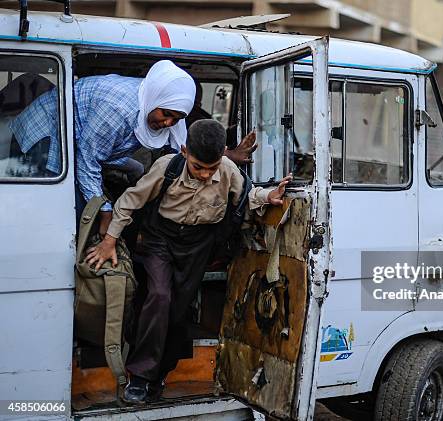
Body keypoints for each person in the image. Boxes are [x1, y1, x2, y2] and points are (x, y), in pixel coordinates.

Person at [84, 119, 291, 404]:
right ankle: (140, 377)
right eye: (198, 167)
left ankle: (158, 376)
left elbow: (246, 195)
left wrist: (269, 195)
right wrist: (109, 240)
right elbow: (130, 201)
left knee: (178, 313)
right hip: (160, 241)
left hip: (198, 245)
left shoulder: (228, 169)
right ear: (184, 151)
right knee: (158, 297)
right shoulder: (166, 167)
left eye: (212, 167)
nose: (206, 174)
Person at [10, 60, 196, 234]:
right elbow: (87, 161)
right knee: (73, 212)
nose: (168, 123)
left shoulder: (158, 102)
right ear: (157, 99)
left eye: (176, 119)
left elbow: (179, 150)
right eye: (166, 114)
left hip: (78, 142)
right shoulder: (118, 109)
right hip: (45, 132)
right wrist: (105, 212)